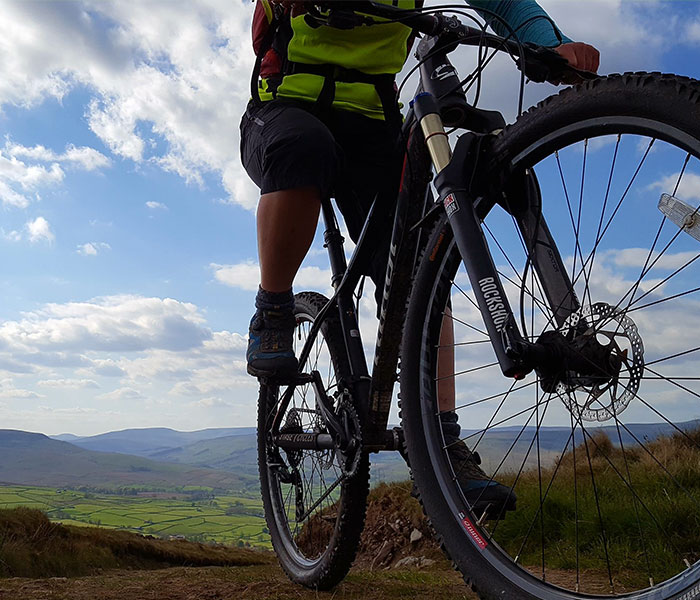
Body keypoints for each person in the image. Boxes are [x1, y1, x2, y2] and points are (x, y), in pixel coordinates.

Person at [240, 0, 599, 513]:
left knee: (422, 267)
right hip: (284, 108)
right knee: (305, 149)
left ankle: (437, 442)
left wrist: (546, 43)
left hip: (373, 124)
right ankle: (273, 309)